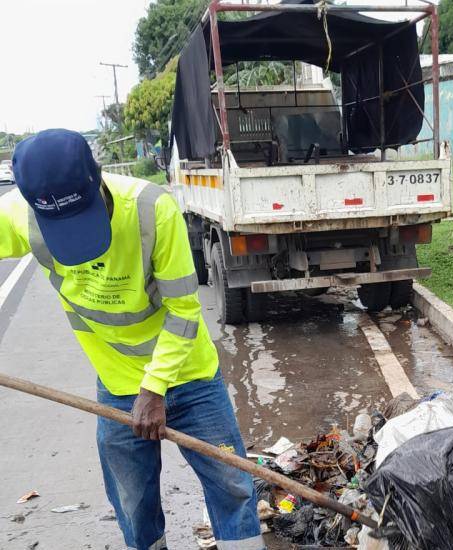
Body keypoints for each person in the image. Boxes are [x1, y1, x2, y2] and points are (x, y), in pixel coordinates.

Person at [0, 129, 264, 550]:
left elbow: (184, 311)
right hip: (118, 386)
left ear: (98, 176)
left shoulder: (151, 209)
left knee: (232, 485)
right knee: (133, 501)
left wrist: (154, 388)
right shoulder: (20, 216)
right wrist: (138, 391)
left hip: (192, 377)